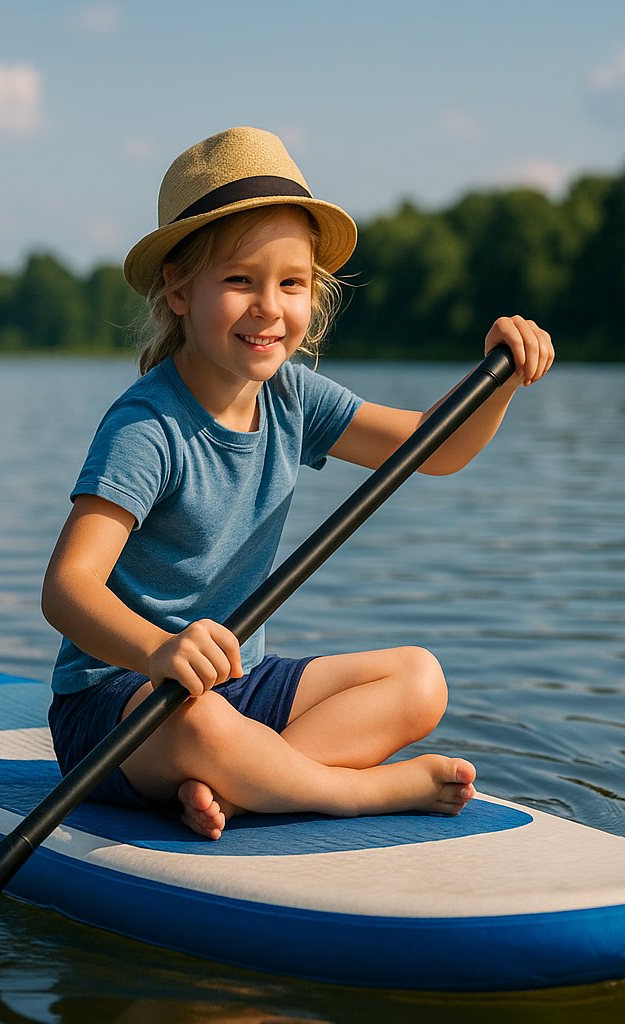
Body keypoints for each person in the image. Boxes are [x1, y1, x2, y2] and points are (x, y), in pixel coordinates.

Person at [42, 127, 553, 839]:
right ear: (179, 289)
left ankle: (248, 788)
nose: (268, 307)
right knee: (205, 725)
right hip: (121, 705)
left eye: (290, 283)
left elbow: (432, 451)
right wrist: (159, 650)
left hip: (236, 685)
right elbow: (67, 589)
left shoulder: (292, 398)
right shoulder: (146, 427)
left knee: (418, 680)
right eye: (239, 281)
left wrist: (496, 383)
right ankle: (353, 793)